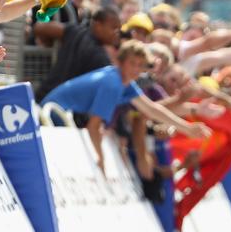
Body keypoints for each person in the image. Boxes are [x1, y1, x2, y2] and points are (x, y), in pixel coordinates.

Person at [41, 40, 210, 173]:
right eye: (132, 63)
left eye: (140, 65)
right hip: (54, 113)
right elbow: (94, 126)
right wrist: (100, 158)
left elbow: (151, 109)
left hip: (60, 113)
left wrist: (186, 128)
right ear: (121, 62)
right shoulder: (113, 83)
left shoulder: (124, 81)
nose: (135, 69)